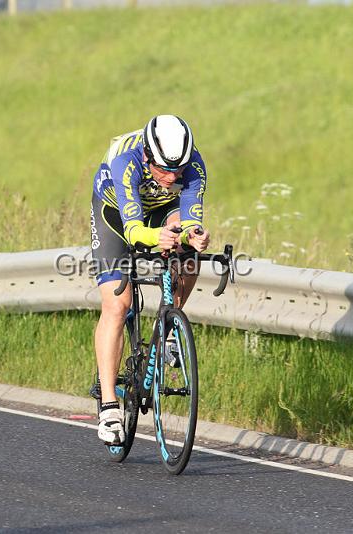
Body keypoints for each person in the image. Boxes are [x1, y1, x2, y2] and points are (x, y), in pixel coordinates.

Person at [90, 114, 210, 445]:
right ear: (146, 155)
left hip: (161, 210)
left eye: (179, 170)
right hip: (115, 212)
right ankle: (110, 407)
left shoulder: (194, 167)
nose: (173, 177)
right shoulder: (126, 161)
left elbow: (189, 218)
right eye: (164, 169)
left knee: (188, 256)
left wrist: (193, 236)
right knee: (118, 304)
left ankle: (170, 328)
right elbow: (134, 229)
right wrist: (156, 237)